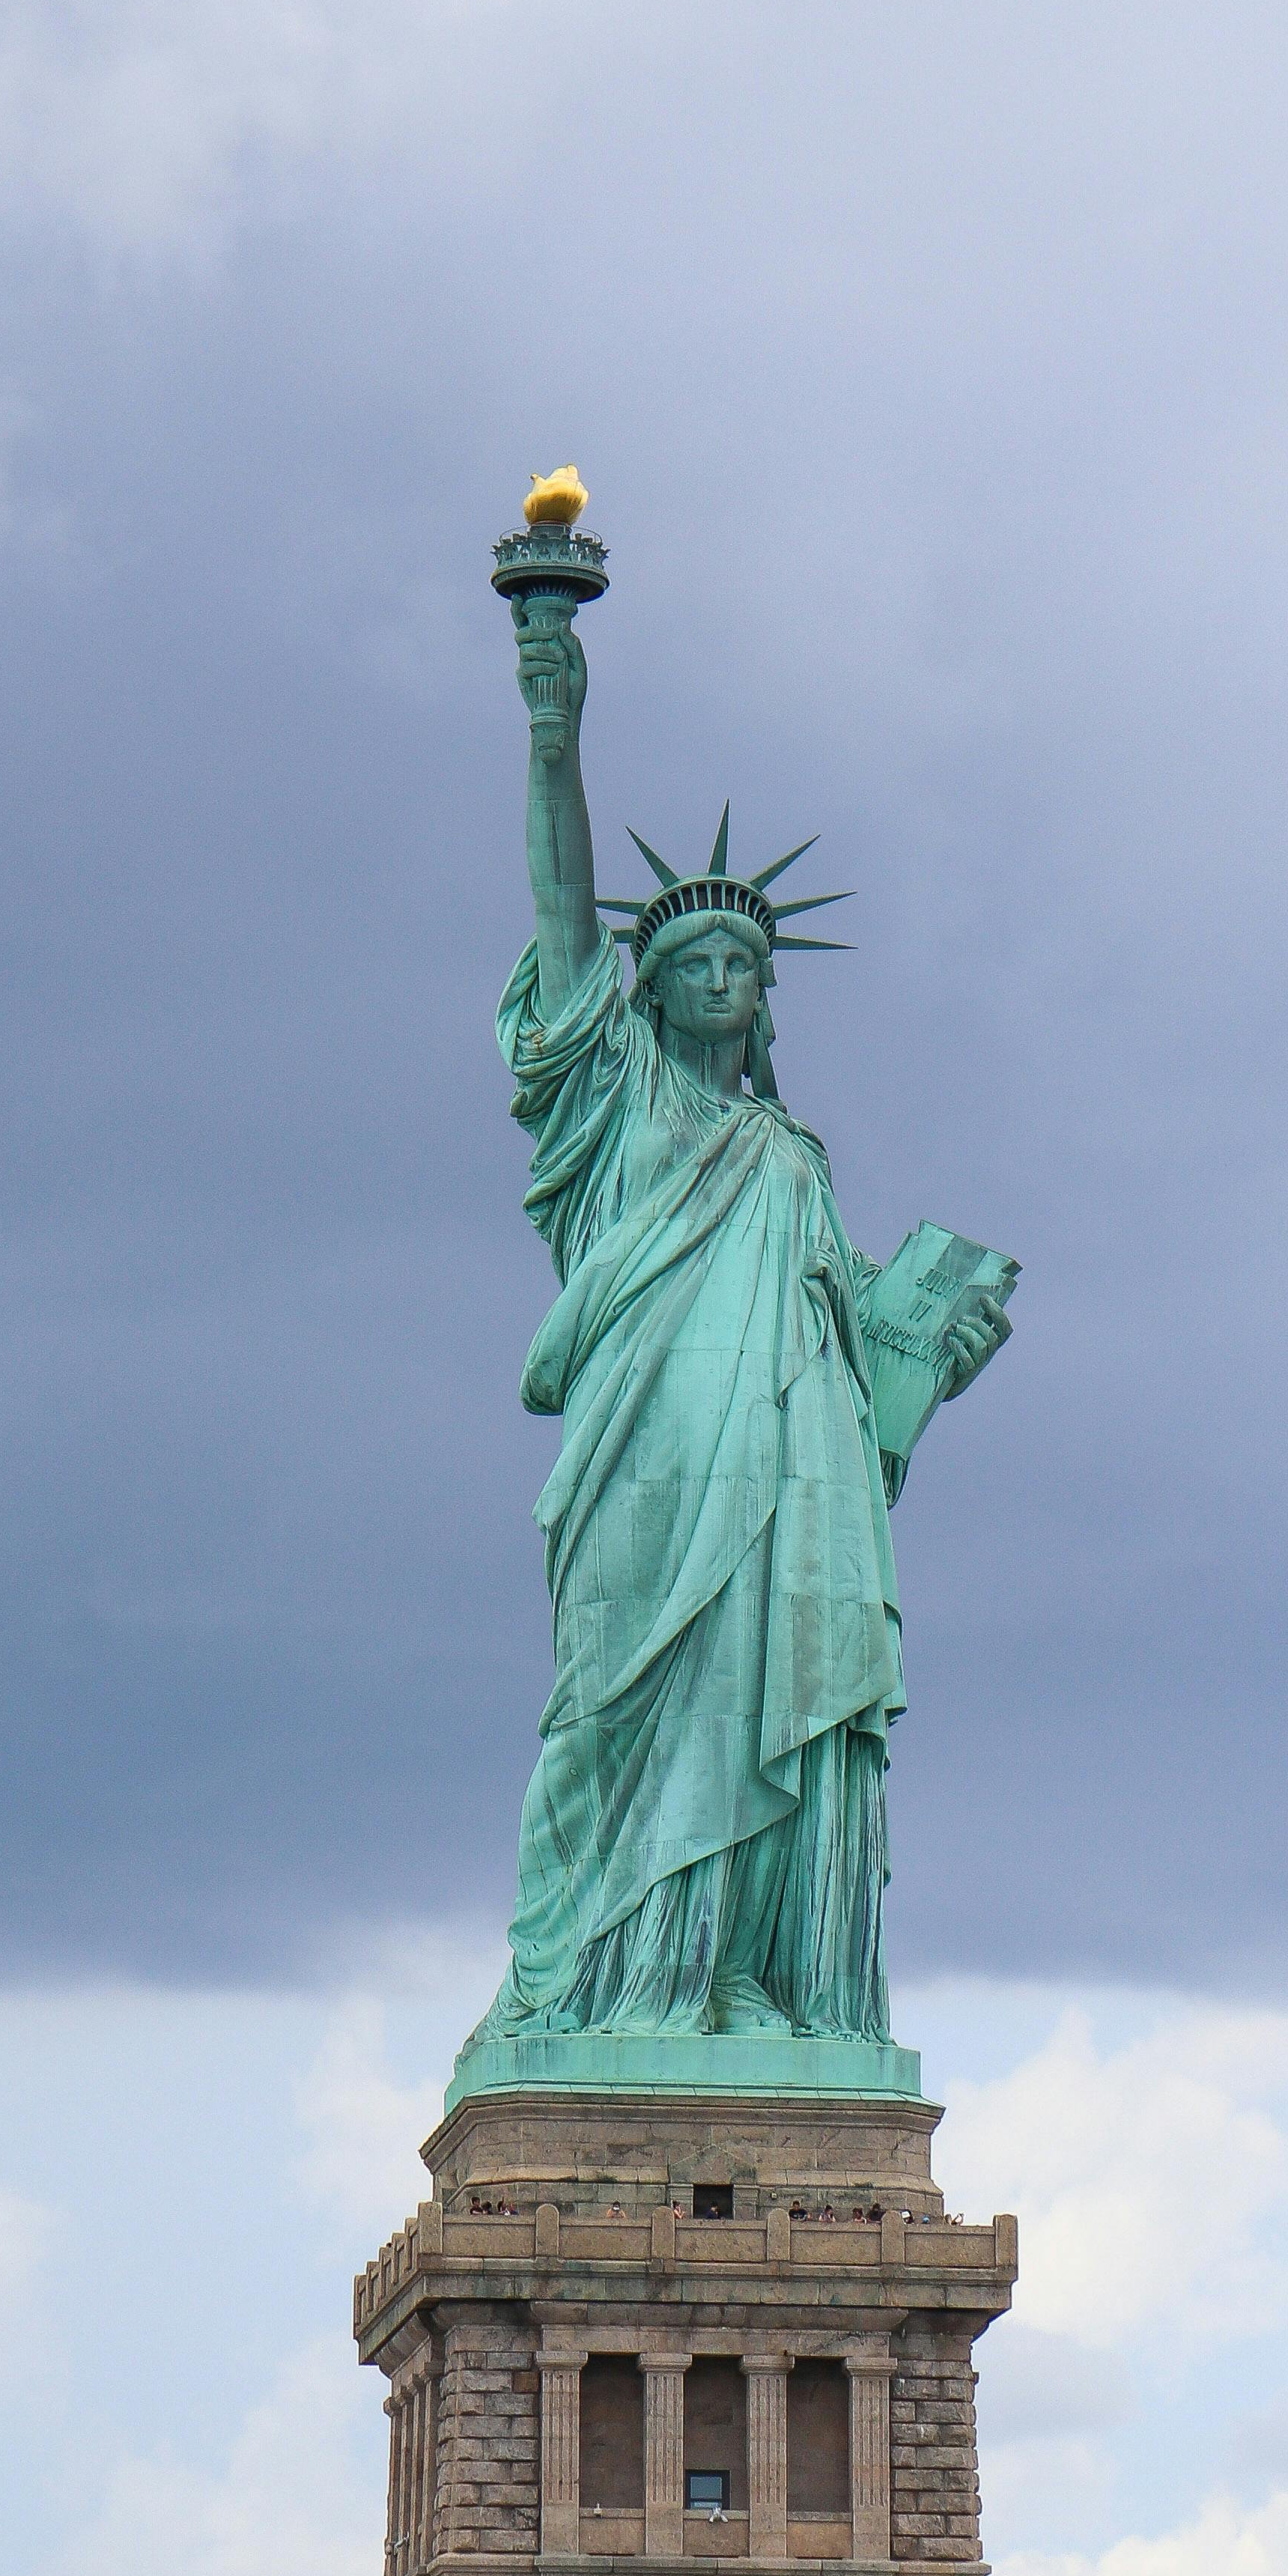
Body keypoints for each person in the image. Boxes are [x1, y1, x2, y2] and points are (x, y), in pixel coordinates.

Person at [460, 600, 1014, 2062]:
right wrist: (551, 727)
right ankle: (610, 1982)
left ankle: (749, 1986)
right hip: (649, 1454)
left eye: (739, 967)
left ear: (763, 997)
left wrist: (925, 1351)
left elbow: (844, 1348)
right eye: (690, 962)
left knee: (779, 1697)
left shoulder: (792, 1157)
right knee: (623, 1714)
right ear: (645, 991)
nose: (717, 981)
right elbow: (560, 912)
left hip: (792, 1472)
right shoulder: (617, 1104)